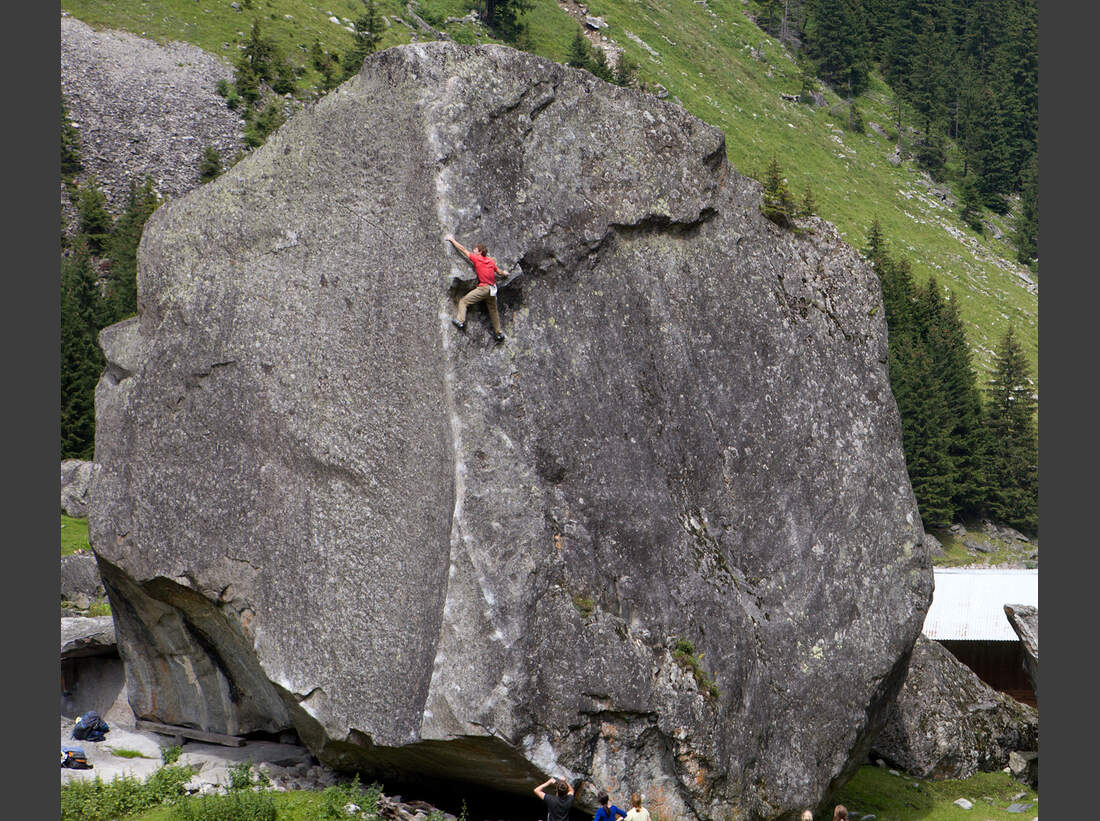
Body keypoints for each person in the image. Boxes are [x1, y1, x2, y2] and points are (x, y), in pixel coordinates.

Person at [446, 233, 509, 342]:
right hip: (492, 289)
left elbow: (463, 249)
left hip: (483, 288)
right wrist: (505, 273)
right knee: (493, 311)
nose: (473, 250)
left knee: (464, 301)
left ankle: (460, 321)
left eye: (475, 249)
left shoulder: (477, 259)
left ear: (479, 252)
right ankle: (499, 333)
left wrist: (452, 240)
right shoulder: (491, 261)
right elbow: (499, 272)